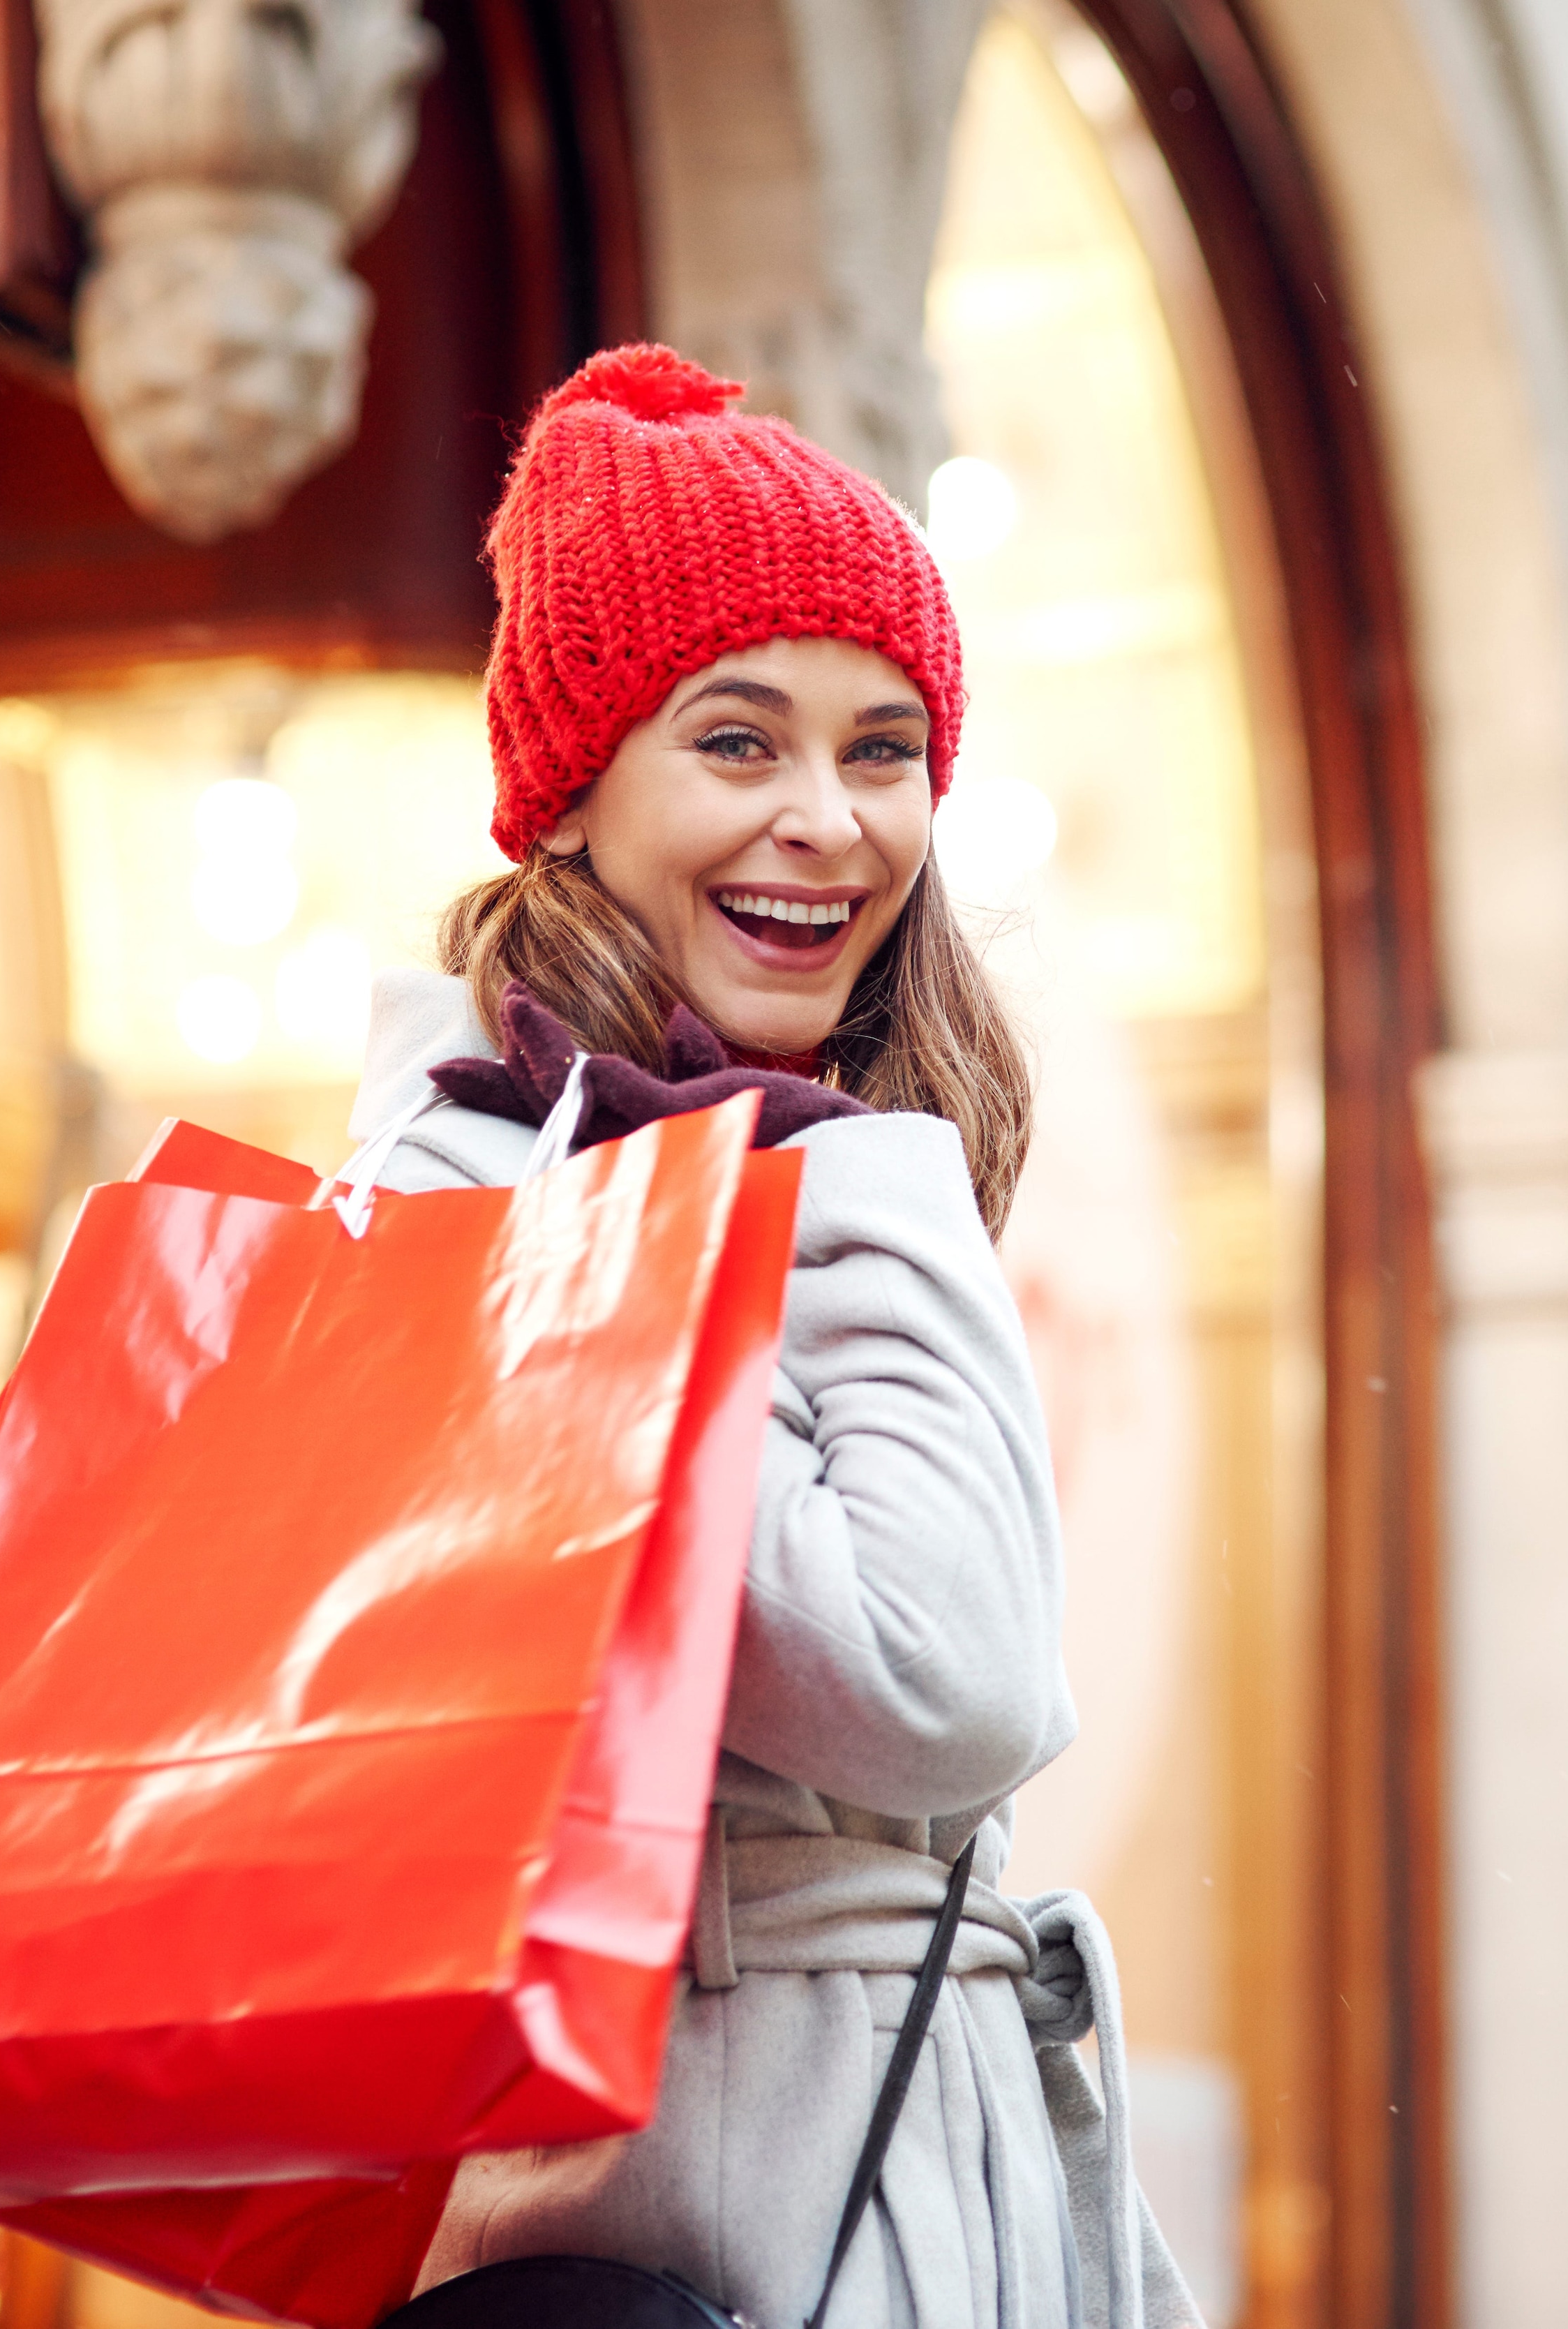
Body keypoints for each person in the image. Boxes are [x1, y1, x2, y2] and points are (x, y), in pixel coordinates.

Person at [346, 343, 1200, 2329]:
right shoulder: (491, 1189)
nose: (828, 818)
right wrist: (882, 1187)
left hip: (830, 2133)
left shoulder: (718, 1147)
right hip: (743, 2173)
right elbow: (943, 1670)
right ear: (572, 792)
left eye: (883, 746)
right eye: (737, 743)